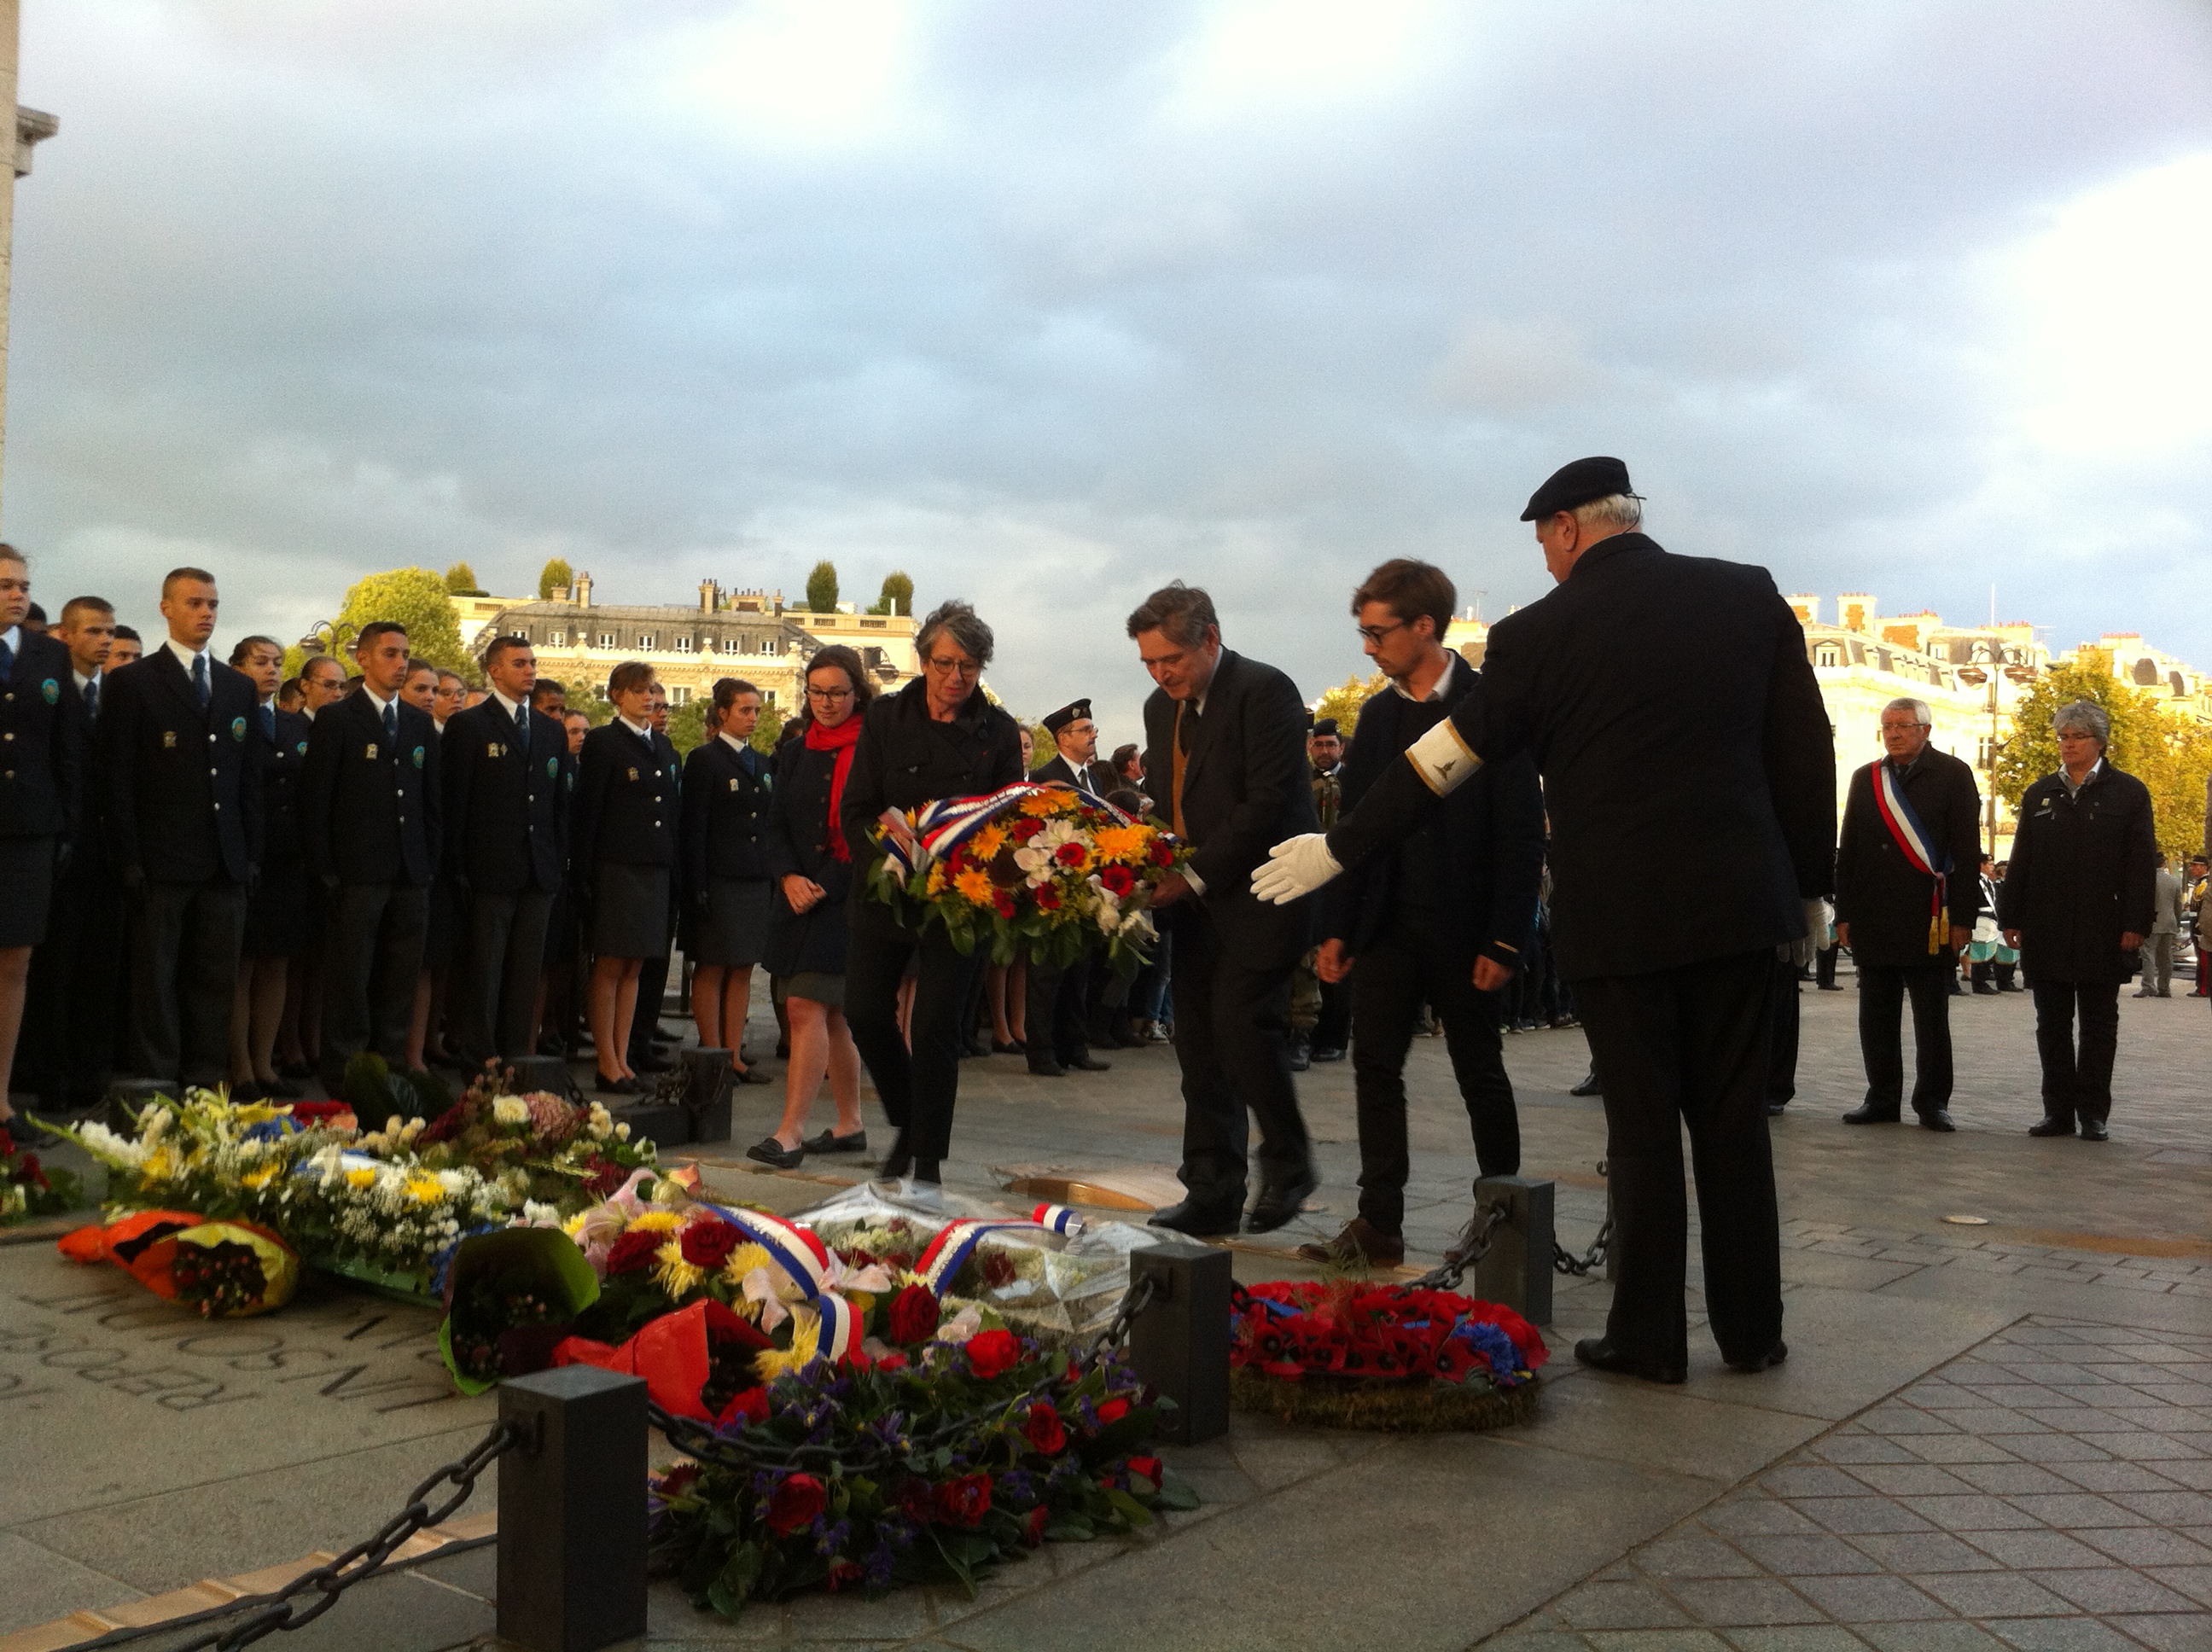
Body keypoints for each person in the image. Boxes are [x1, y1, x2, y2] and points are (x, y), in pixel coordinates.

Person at [1254, 458, 1834, 1384]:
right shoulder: (1746, 594)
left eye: (1542, 542)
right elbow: (1804, 745)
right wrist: (1808, 882)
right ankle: (1751, 1331)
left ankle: (1648, 1335)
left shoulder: (1539, 634)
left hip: (1622, 916)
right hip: (1738, 905)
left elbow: (1447, 759)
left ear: (1567, 528)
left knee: (1642, 1128)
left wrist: (1342, 847)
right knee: (1732, 1125)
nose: (1546, 561)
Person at [1298, 559, 1542, 1269]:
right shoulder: (1376, 717)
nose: (1368, 648)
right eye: (1363, 633)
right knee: (1374, 1067)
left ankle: (1503, 1217)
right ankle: (1380, 1223)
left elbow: (1521, 833)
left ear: (1424, 627)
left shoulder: (1490, 705)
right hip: (1387, 926)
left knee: (1479, 1069)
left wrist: (1505, 936)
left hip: (1469, 931)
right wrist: (1339, 926)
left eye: (1378, 633)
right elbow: (1356, 833)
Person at [1130, 582, 1319, 1236]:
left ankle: (1290, 1161)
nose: (1161, 674)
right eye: (1150, 663)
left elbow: (1265, 804)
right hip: (1196, 905)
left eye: (1171, 659)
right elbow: (1167, 798)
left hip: (1262, 893)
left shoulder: (1265, 691)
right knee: (1199, 1048)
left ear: (1209, 638)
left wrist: (1193, 874)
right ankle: (1210, 1189)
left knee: (1243, 1026)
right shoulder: (1163, 707)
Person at [842, 602, 1025, 1183]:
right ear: (923, 661)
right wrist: (892, 858)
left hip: (959, 900)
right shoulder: (888, 718)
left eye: (968, 667)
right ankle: (910, 1122)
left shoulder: (996, 731)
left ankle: (926, 1162)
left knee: (936, 1026)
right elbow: (858, 808)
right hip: (890, 888)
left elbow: (1007, 822)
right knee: (866, 1011)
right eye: (944, 664)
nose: (955, 678)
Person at [102, 567, 265, 1090]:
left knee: (215, 977)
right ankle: (157, 1080)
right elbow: (119, 779)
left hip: (224, 860)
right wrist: (129, 857)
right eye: (195, 603)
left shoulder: (238, 687)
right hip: (162, 858)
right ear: (166, 609)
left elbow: (247, 779)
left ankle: (205, 1081)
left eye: (213, 604)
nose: (206, 613)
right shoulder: (134, 682)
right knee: (157, 978)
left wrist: (250, 855)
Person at [2000, 701, 2156, 1141]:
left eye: (2076, 737)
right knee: (2050, 1025)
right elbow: (2022, 859)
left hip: (2103, 930)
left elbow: (2140, 864)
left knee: (2099, 1025)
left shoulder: (2128, 792)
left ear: (2099, 741)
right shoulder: (2040, 793)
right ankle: (2057, 1112)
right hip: (2046, 928)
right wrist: (2011, 914)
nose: (2067, 745)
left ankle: (2093, 1113)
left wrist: (2136, 923)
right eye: (2062, 737)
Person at [300, 620, 439, 1096]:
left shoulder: (420, 723)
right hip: (357, 872)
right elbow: (317, 801)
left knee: (400, 976)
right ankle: (345, 1072)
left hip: (409, 871)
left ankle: (391, 1067)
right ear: (363, 658)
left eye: (405, 654)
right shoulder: (339, 719)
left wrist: (428, 864)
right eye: (390, 654)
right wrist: (327, 870)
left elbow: (430, 800)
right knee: (351, 977)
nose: (401, 664)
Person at [1831, 697, 1981, 1132]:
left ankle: (1932, 1101)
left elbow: (1967, 854)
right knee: (1875, 1015)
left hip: (1930, 916)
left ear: (1925, 731)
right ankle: (1881, 1097)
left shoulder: (1953, 775)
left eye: (1903, 725)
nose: (1894, 733)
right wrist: (1845, 913)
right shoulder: (1867, 778)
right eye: (1888, 726)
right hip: (1875, 914)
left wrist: (1963, 918)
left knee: (1931, 1017)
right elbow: (1851, 851)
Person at [751, 648, 874, 1167]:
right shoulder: (797, 752)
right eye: (816, 692)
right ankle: (849, 1125)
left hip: (848, 900)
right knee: (835, 1016)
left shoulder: (875, 751)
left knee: (804, 1007)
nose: (826, 702)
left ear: (857, 694)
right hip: (796, 896)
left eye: (837, 693)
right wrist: (788, 876)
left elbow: (874, 830)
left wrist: (823, 883)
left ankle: (790, 1133)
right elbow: (775, 822)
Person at [441, 636, 570, 1072]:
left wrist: (556, 863)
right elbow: (457, 802)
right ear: (495, 671)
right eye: (519, 663)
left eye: (533, 662)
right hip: (489, 870)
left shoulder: (551, 730)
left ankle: (520, 1055)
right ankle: (481, 1057)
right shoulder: (470, 725)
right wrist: (458, 869)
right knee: (485, 970)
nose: (530, 670)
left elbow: (557, 805)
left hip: (538, 870)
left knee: (526, 972)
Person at [21, 596, 118, 1116]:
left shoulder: (117, 693)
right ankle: (49, 1075)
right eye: (93, 632)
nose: (104, 640)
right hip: (63, 849)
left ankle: (91, 1072)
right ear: (65, 635)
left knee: (99, 969)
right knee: (54, 969)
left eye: (109, 632)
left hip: (108, 853)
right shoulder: (51, 692)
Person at [0, 547, 84, 1132]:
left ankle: (0, 1100)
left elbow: (68, 747)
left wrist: (66, 826)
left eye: (24, 585)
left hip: (30, 827)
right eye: (6, 584)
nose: (18, 594)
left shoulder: (50, 654)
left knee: (16, 962)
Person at [572, 661, 678, 1095]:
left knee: (635, 965)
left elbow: (669, 813)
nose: (648, 698)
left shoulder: (664, 747)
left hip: (652, 868)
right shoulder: (603, 742)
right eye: (637, 691)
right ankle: (606, 1060)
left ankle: (624, 1055)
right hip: (616, 867)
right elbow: (588, 813)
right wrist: (584, 875)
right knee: (612, 964)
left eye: (651, 690)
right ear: (616, 695)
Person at [227, 635, 311, 1099]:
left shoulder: (294, 725)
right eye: (260, 662)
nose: (272, 670)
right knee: (242, 962)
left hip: (287, 856)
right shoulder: (228, 718)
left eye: (278, 663)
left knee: (276, 961)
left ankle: (264, 1063)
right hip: (243, 853)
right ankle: (239, 1066)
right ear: (237, 667)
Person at [681, 677, 775, 1083]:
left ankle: (735, 1054)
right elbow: (694, 825)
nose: (753, 718)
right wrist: (696, 882)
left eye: (756, 710)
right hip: (719, 877)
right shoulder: (705, 759)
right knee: (713, 964)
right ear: (723, 713)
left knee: (742, 967)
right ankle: (713, 1051)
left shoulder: (762, 762)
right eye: (745, 710)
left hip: (753, 877)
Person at [1022, 699, 1117, 1078]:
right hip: (1052, 886)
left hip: (1085, 886)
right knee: (1046, 974)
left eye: (1092, 729)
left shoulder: (1092, 778)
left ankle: (1074, 1046)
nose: (1092, 735)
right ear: (1063, 737)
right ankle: (1041, 1051)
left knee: (1079, 970)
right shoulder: (1047, 776)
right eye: (1085, 730)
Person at [1289, 716, 1352, 1068]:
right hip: (1310, 880)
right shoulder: (1301, 783)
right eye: (1319, 744)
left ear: (1341, 747)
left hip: (1343, 882)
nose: (1325, 751)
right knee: (1308, 960)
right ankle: (1303, 1036)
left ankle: (1334, 1039)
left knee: (1339, 959)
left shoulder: (1355, 780)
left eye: (1331, 745)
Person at [2137, 852, 2182, 998]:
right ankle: (2165, 988)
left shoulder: (2146, 881)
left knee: (2148, 954)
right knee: (2166, 956)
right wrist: (2177, 921)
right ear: (2163, 864)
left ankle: (2148, 986)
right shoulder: (2174, 881)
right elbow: (2178, 906)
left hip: (2152, 923)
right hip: (2169, 922)